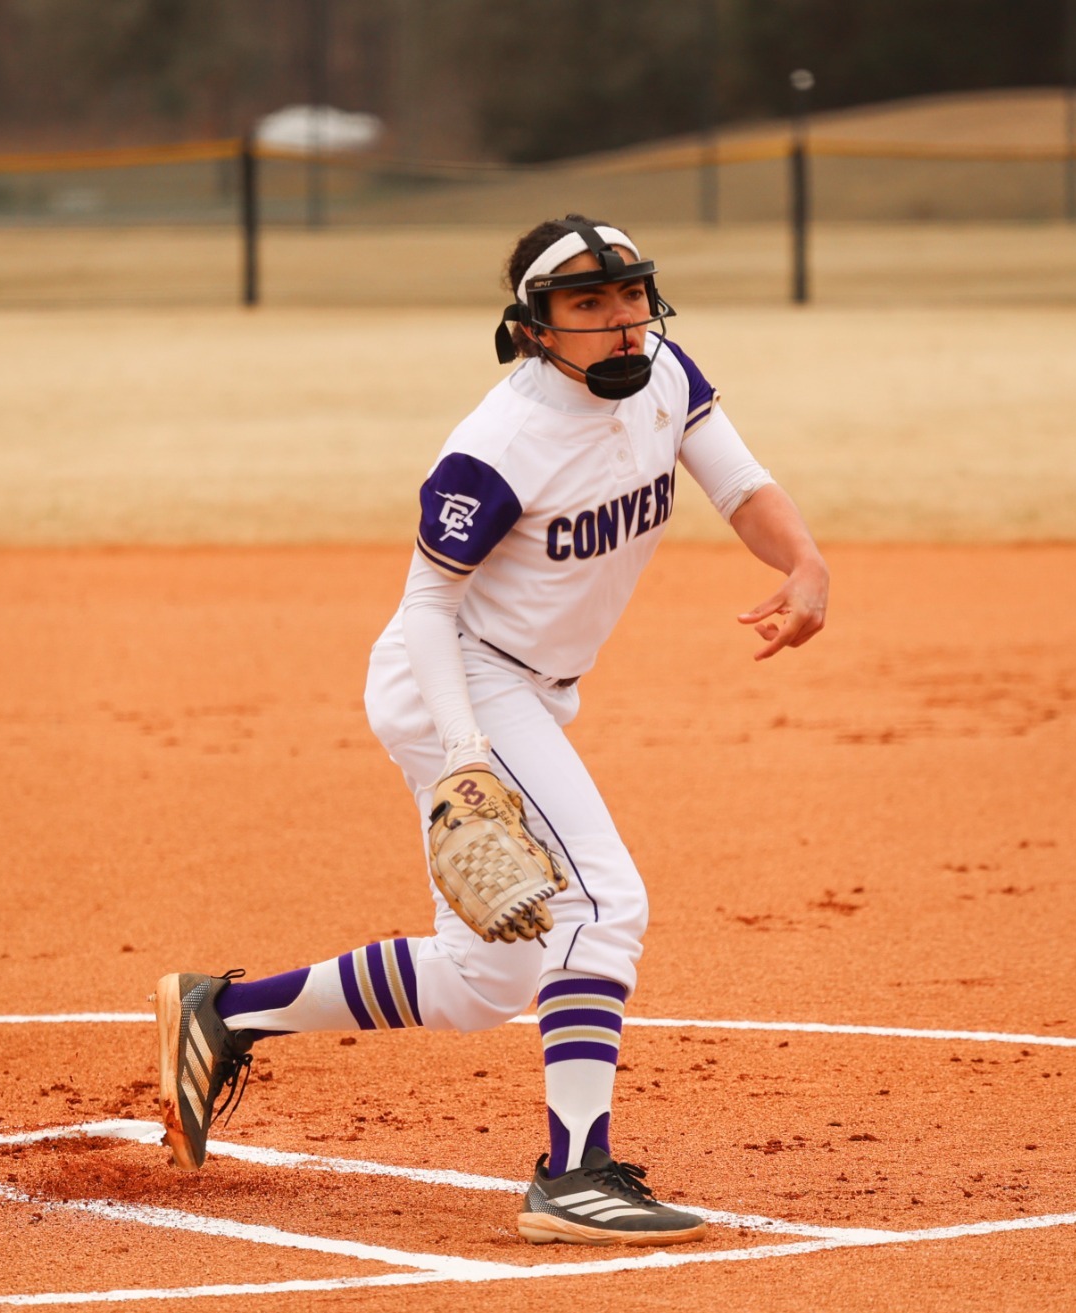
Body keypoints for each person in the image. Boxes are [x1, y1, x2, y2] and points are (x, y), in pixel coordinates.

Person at [156, 215, 830, 1246]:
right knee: (600, 901)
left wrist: (804, 562)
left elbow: (738, 487)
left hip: (530, 687)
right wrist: (467, 760)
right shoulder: (495, 448)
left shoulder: (662, 372)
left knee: (486, 981)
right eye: (585, 305)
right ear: (530, 326)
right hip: (458, 683)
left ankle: (223, 1013)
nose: (617, 323)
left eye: (628, 297)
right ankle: (574, 1175)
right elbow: (426, 611)